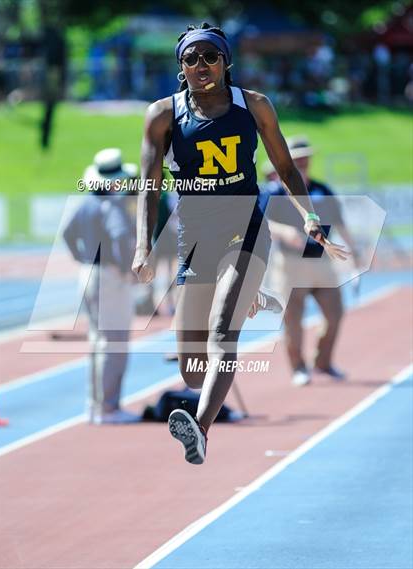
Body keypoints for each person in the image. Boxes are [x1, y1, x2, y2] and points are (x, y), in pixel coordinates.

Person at [132, 23, 348, 464]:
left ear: (226, 61)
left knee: (223, 330)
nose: (201, 65)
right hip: (193, 237)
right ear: (181, 68)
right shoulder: (162, 115)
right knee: (193, 368)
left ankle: (201, 428)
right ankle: (212, 369)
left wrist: (308, 214)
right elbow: (148, 187)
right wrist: (142, 246)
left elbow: (286, 168)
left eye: (210, 56)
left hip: (243, 230)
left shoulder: (254, 106)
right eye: (190, 59)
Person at [262, 135, 359, 386]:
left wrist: (353, 248)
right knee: (293, 320)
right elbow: (260, 222)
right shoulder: (274, 192)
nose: (304, 162)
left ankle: (323, 361)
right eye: (298, 158)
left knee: (335, 314)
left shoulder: (322, 189)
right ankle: (298, 367)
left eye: (306, 157)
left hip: (321, 261)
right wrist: (284, 231)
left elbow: (339, 221)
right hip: (290, 264)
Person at [63, 148, 140, 424]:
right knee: (114, 342)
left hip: (87, 272)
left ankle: (95, 405)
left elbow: (66, 232)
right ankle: (109, 407)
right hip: (108, 275)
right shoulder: (112, 204)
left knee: (97, 341)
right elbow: (120, 237)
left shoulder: (85, 203)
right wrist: (125, 269)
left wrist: (79, 257)